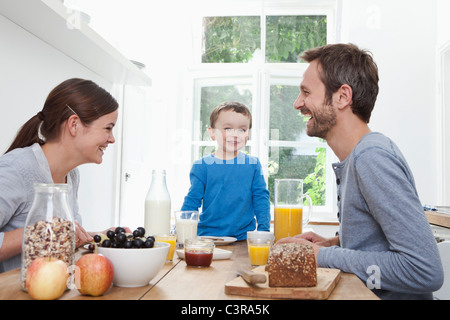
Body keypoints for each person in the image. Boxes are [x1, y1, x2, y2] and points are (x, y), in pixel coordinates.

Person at [277, 43, 444, 299]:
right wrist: (334, 243)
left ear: (343, 97)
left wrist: (322, 256)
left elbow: (424, 270)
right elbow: (379, 243)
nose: (298, 103)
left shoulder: (371, 157)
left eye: (306, 92)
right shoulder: (360, 156)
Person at [0, 78, 128, 273]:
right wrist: (42, 231)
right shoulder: (15, 169)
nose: (112, 139)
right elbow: (51, 231)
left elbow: (63, 234)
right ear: (74, 124)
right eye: (108, 128)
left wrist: (100, 236)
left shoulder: (72, 175)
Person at [181, 101, 270, 240]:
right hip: (207, 238)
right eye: (228, 128)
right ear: (212, 133)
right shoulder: (202, 166)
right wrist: (182, 231)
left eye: (242, 129)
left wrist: (263, 230)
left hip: (243, 239)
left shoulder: (253, 165)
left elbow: (261, 198)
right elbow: (192, 202)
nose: (235, 135)